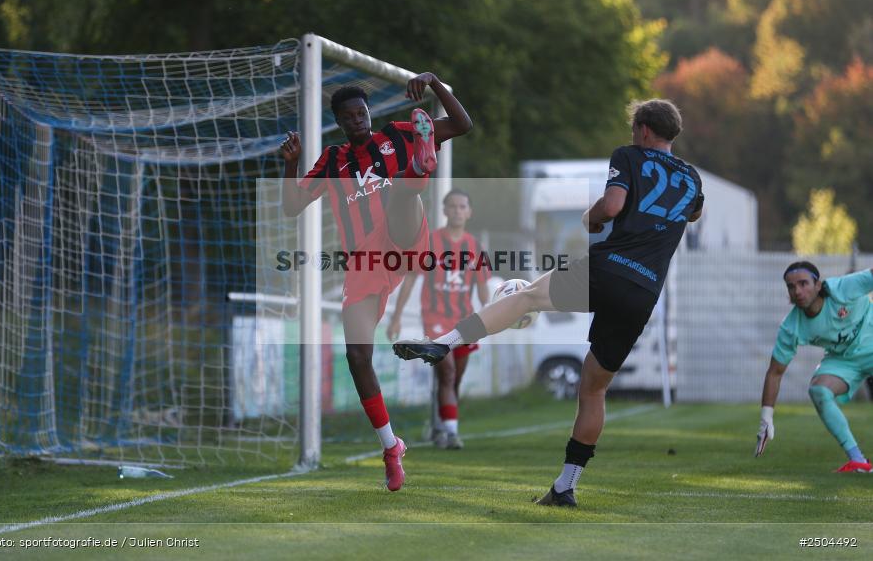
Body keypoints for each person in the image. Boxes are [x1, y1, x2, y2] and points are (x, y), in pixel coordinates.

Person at [393, 99, 704, 507]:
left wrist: (591, 218)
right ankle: (566, 485)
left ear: (644, 130)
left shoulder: (630, 155)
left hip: (610, 268)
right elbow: (694, 215)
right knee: (594, 390)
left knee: (526, 297)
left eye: (634, 130)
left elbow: (612, 205)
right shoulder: (693, 178)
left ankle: (445, 341)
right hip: (645, 290)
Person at [280, 73, 472, 491]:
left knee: (400, 193)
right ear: (340, 123)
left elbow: (462, 125)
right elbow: (292, 207)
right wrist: (291, 164)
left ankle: (421, 167)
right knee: (357, 357)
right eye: (348, 117)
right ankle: (390, 446)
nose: (357, 120)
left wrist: (438, 83)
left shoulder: (396, 135)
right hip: (366, 261)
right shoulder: (332, 161)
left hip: (403, 234)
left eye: (361, 113)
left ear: (370, 114)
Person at [387, 189, 491, 449]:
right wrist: (396, 316)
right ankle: (451, 434)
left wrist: (489, 316)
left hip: (465, 320)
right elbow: (411, 277)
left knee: (454, 379)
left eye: (462, 206)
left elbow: (482, 288)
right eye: (452, 206)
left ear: (469, 212)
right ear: (444, 211)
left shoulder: (475, 247)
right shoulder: (430, 242)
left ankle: (442, 424)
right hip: (435, 318)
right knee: (448, 372)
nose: (457, 210)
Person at [755, 262, 873, 473]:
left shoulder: (842, 288)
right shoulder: (791, 327)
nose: (797, 291)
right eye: (791, 287)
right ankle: (858, 461)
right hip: (843, 360)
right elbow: (775, 372)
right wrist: (766, 417)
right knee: (818, 390)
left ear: (818, 285)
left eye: (803, 283)